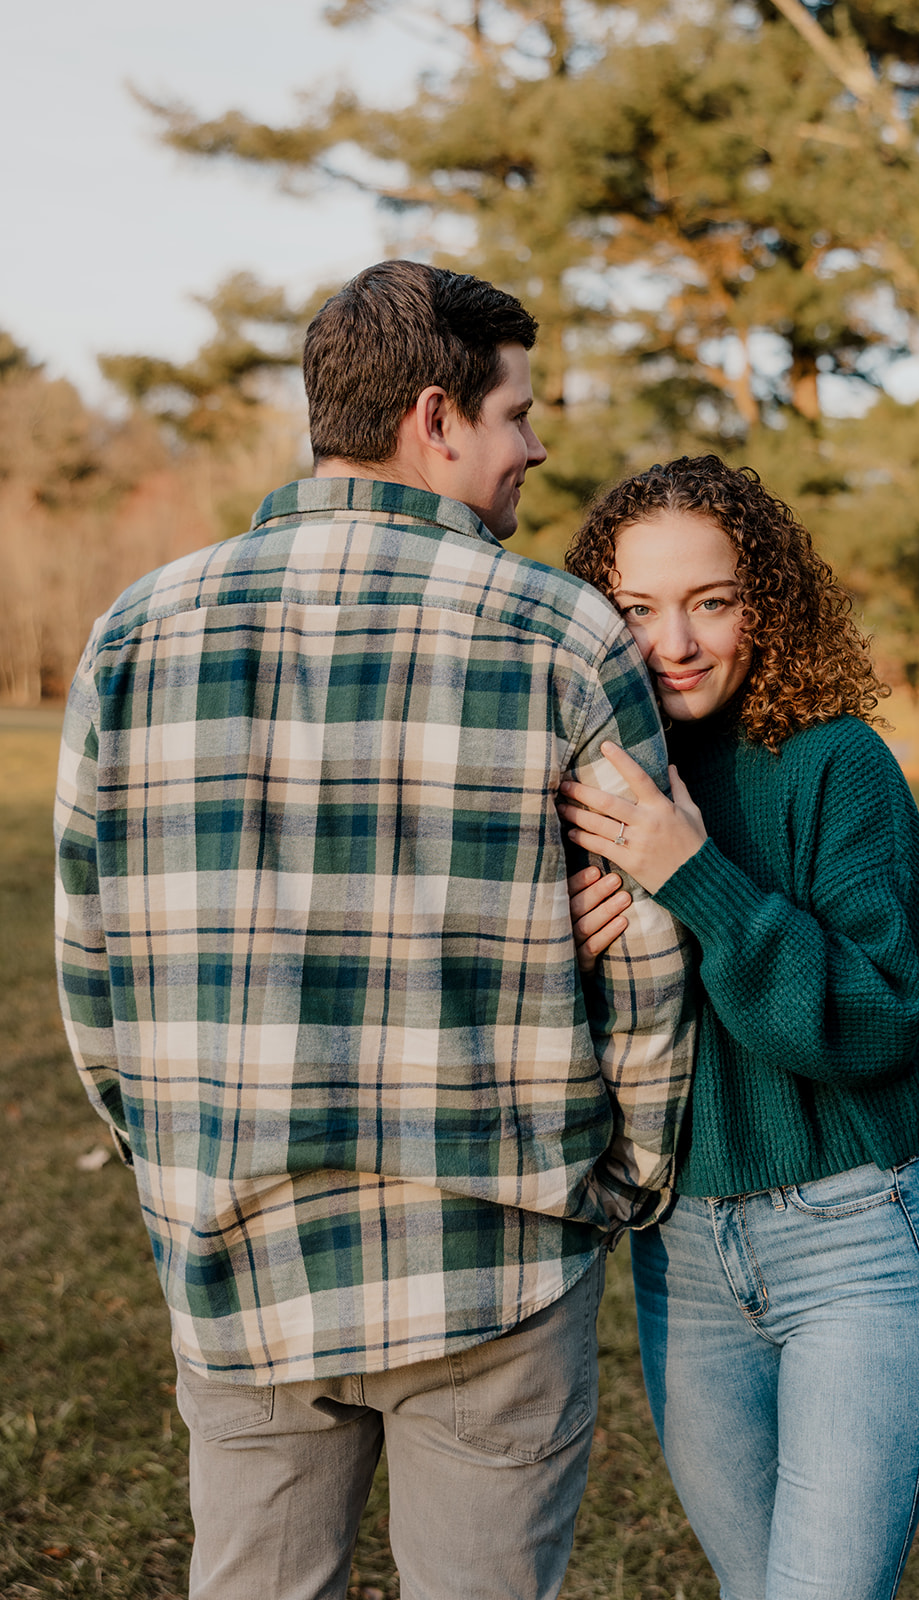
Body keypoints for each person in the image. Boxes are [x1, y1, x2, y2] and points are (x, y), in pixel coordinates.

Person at [54, 260, 692, 1600]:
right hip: (494, 1249)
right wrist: (622, 1178)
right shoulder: (562, 633)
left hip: (236, 1244)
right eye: (517, 411)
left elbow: (90, 963)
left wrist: (168, 1160)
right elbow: (640, 940)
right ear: (435, 416)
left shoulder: (133, 632)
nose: (535, 444)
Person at [558, 454, 919, 1600]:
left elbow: (876, 1021)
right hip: (679, 1251)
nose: (673, 642)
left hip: (853, 1240)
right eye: (635, 609)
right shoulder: (597, 784)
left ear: (766, 605)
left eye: (711, 602)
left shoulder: (836, 765)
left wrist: (692, 876)